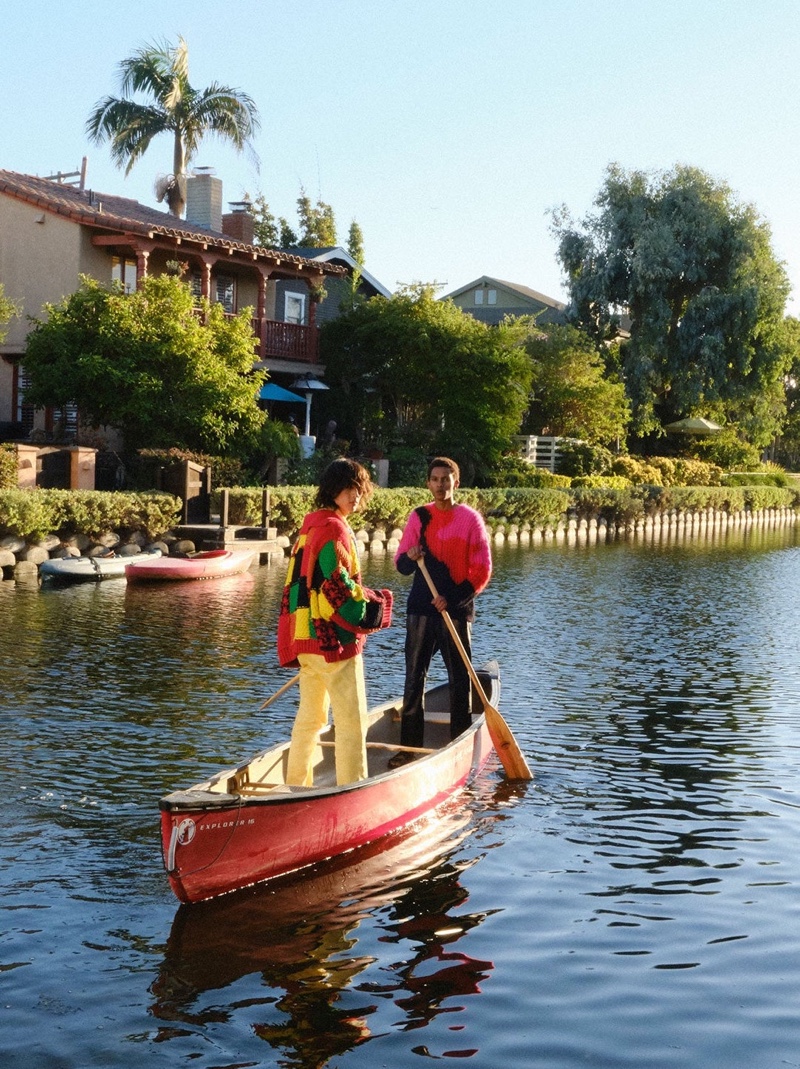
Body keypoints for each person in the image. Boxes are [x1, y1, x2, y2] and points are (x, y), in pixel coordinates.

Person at [277, 458, 393, 786]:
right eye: (347, 488)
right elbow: (336, 586)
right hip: (333, 642)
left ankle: (296, 786)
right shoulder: (334, 528)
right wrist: (376, 606)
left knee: (310, 720)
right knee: (351, 723)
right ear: (332, 489)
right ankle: (351, 788)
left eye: (359, 488)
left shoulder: (311, 524)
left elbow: (305, 584)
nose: (355, 495)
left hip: (306, 637)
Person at [391, 457, 492, 766]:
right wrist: (411, 555)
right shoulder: (418, 517)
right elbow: (401, 566)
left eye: (446, 479)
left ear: (455, 483)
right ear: (428, 483)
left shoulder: (471, 520)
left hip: (456, 610)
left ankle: (458, 743)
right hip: (421, 608)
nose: (440, 484)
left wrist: (452, 599)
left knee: (459, 678)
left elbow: (482, 570)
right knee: (414, 679)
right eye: (435, 479)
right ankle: (409, 748)